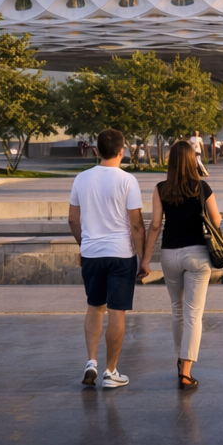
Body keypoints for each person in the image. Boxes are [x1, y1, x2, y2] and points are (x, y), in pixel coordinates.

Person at [68, 128, 146, 389]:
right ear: (122, 151)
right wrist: (144, 256)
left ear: (97, 150)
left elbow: (72, 219)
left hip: (91, 254)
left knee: (94, 306)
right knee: (116, 312)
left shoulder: (81, 178)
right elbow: (136, 224)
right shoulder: (127, 180)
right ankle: (111, 371)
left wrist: (85, 244)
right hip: (121, 254)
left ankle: (91, 361)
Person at [142, 140, 220, 389]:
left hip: (169, 254)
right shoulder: (202, 186)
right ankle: (185, 371)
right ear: (192, 160)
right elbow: (216, 220)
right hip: (197, 254)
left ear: (171, 161)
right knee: (193, 314)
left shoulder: (161, 188)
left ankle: (180, 358)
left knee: (177, 310)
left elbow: (155, 225)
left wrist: (145, 259)